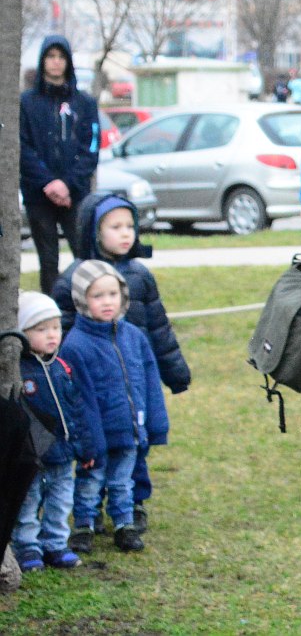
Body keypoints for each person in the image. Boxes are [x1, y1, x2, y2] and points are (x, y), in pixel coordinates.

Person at [53, 191, 190, 534]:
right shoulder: (73, 279)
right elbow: (61, 333)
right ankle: (90, 510)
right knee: (95, 447)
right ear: (93, 231)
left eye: (130, 225)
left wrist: (175, 372)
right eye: (115, 227)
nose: (126, 233)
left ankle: (134, 504)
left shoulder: (140, 275)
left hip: (132, 377)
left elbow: (158, 327)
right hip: (93, 383)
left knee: (134, 448)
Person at [60, 261, 166, 556]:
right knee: (90, 482)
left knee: (123, 482)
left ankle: (124, 524)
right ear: (82, 300)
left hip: (129, 429)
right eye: (97, 296)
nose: (107, 302)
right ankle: (84, 525)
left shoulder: (134, 336)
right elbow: (80, 400)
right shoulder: (76, 345)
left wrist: (155, 424)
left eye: (112, 294)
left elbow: (149, 381)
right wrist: (89, 441)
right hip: (96, 435)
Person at [12, 291, 103, 573]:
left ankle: (55, 544)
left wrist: (85, 448)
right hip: (33, 457)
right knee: (28, 503)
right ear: (22, 333)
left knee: (60, 501)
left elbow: (77, 411)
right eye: (41, 330)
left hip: (64, 455)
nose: (52, 335)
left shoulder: (62, 367)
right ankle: (27, 546)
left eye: (55, 327)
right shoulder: (18, 372)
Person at [20, 35, 100, 295]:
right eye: (50, 56)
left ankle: (87, 308)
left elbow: (91, 147)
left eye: (61, 57)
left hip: (75, 195)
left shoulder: (85, 103)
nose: (56, 62)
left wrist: (67, 184)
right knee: (48, 261)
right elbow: (22, 147)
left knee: (84, 256)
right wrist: (49, 183)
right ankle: (53, 313)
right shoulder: (27, 103)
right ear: (42, 61)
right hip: (38, 195)